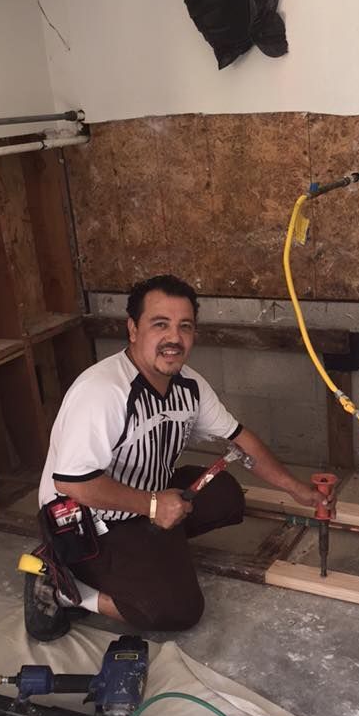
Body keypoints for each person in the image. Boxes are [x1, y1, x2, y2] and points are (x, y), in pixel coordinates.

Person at [24, 274, 329, 641]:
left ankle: (149, 549)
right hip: (84, 522)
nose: (174, 338)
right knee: (176, 609)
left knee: (226, 496)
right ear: (133, 329)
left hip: (143, 500)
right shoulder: (103, 392)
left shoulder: (189, 385)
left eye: (185, 326)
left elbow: (239, 438)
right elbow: (73, 482)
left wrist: (297, 490)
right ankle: (65, 587)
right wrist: (153, 505)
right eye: (160, 324)